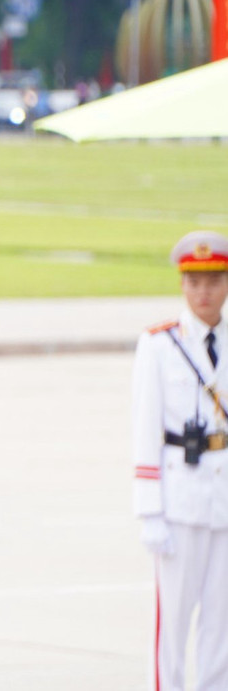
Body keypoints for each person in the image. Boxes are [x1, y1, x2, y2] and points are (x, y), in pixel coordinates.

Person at [132, 230, 228, 691]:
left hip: (224, 500)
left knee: (221, 624)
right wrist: (149, 510)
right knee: (172, 625)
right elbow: (145, 429)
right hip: (179, 500)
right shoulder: (159, 344)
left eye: (214, 280)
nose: (204, 292)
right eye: (195, 281)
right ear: (182, 285)